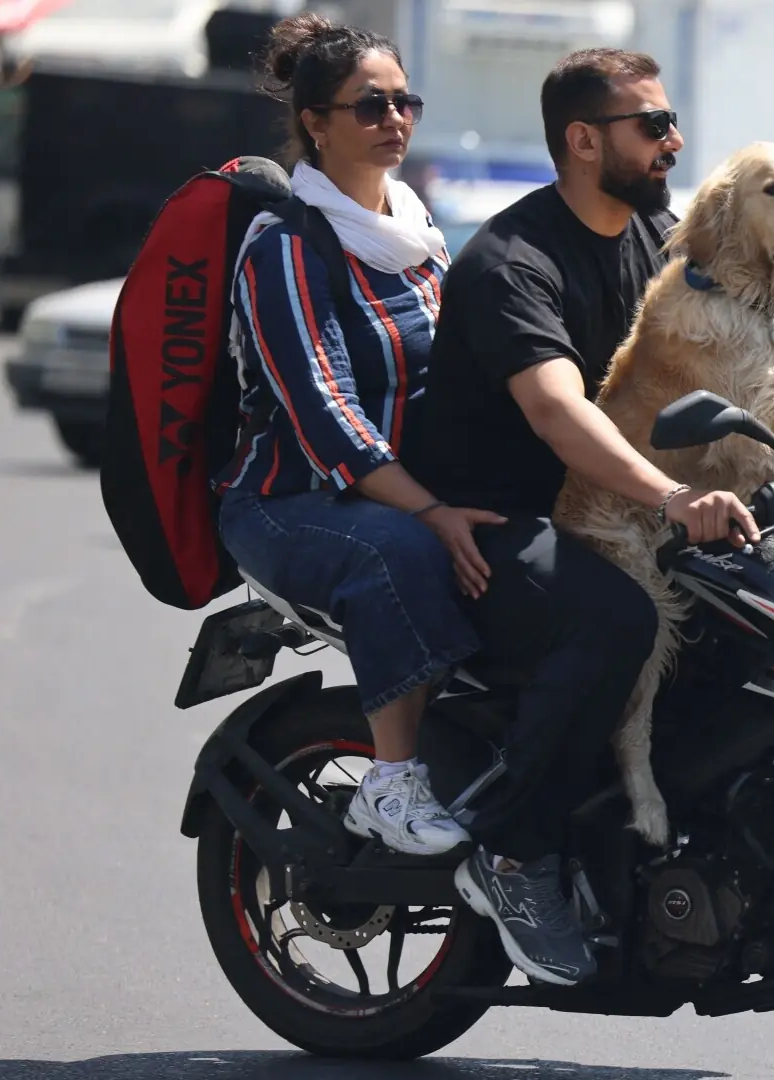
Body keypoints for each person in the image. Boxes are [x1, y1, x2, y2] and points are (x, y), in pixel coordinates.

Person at [408, 49, 774, 987]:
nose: (673, 141)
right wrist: (672, 497)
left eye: (671, 121)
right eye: (651, 125)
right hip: (510, 516)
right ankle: (516, 853)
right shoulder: (510, 260)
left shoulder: (663, 237)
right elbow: (562, 413)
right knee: (617, 621)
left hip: (653, 497)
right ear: (581, 139)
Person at [212, 14, 504, 858]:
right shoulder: (290, 249)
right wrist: (435, 513)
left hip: (408, 484)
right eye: (369, 106)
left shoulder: (416, 233)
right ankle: (393, 782)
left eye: (402, 101)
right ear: (316, 123)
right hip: (290, 499)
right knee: (400, 553)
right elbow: (325, 418)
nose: (394, 120)